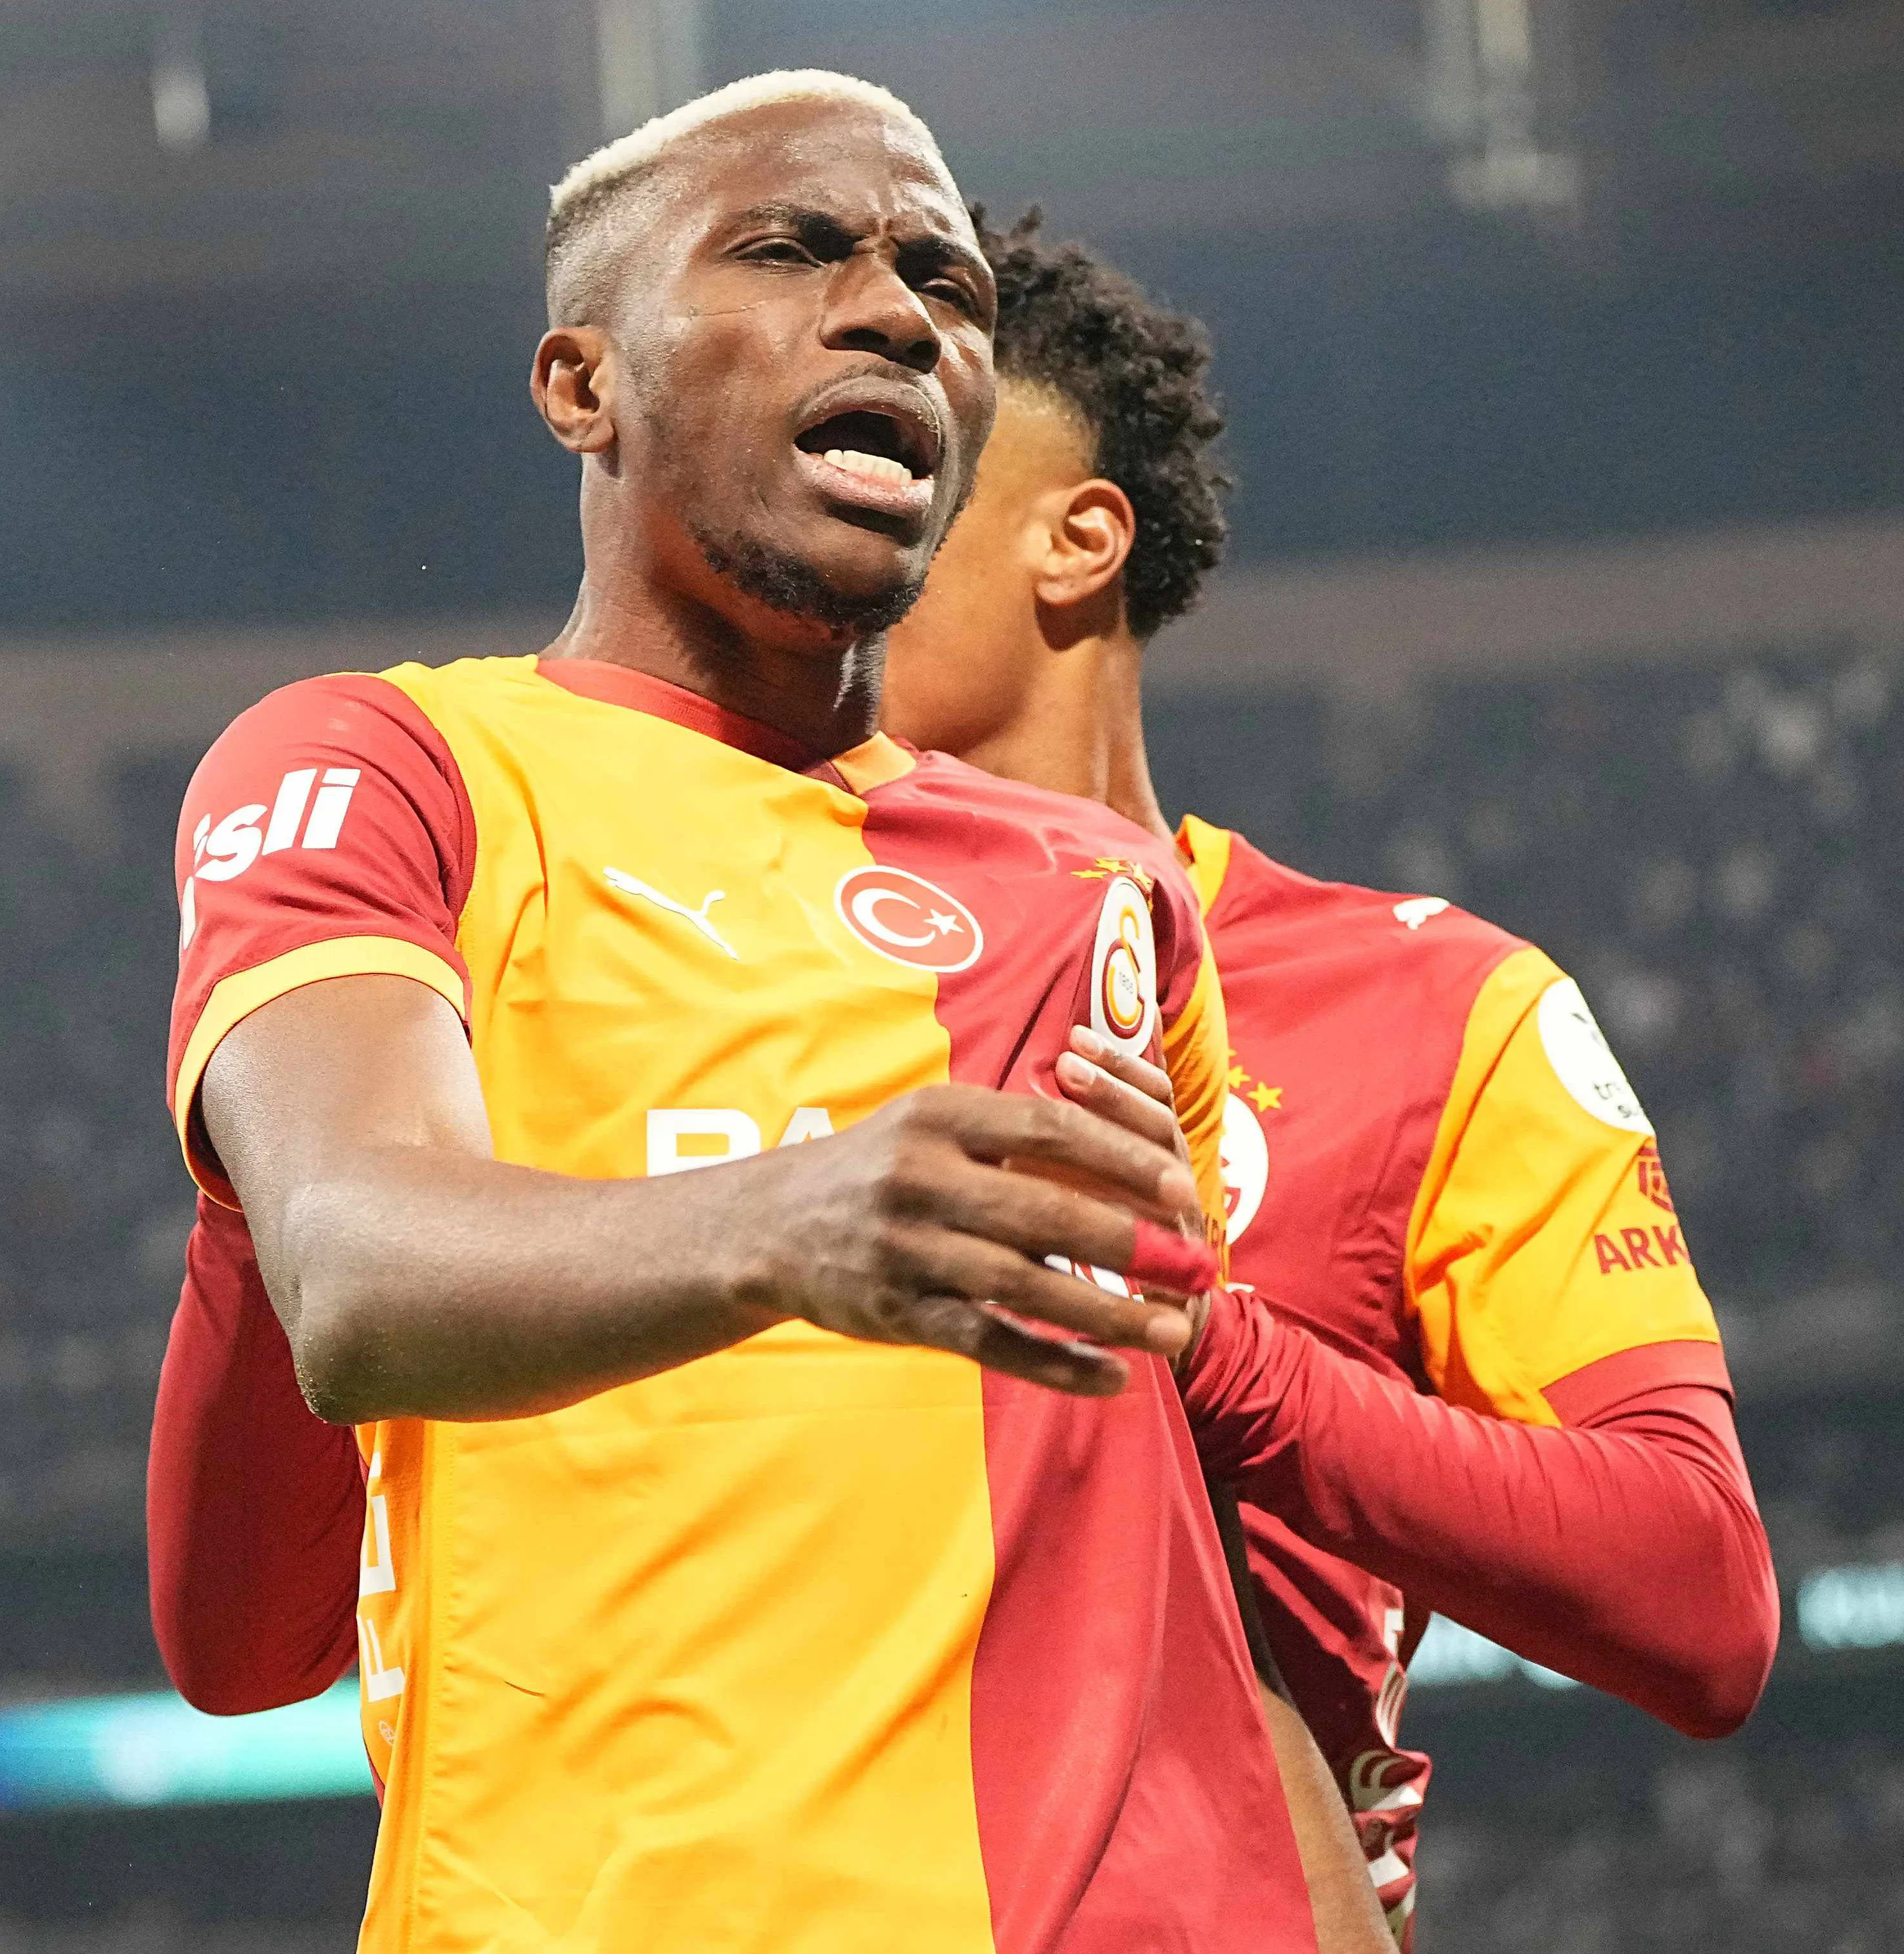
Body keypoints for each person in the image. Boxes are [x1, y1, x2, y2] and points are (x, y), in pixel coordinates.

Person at [155, 71, 1343, 1952]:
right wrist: (787, 1218)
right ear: (582, 386)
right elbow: (357, 1278)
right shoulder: (394, 767)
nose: (895, 311)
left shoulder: (1107, 897)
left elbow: (1186, 1532)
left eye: (942, 285)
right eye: (790, 249)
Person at [878, 213, 1779, 1942]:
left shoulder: (1434, 1008)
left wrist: (1207, 1352)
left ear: (1074, 542)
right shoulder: (689, 982)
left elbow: (1697, 1597)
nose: (821, 550)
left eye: (899, 480)